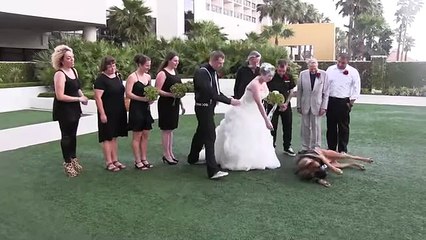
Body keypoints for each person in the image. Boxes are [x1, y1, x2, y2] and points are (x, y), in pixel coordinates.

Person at [215, 62, 281, 171]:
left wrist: (274, 98)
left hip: (254, 111)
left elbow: (265, 96)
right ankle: (239, 159)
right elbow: (259, 103)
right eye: (269, 76)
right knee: (244, 133)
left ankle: (258, 158)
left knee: (258, 135)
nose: (270, 78)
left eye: (271, 76)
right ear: (263, 74)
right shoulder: (255, 84)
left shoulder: (263, 82)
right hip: (245, 109)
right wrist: (266, 120)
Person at [187, 51, 240, 179]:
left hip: (209, 107)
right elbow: (209, 92)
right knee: (210, 136)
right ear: (214, 60)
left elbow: (216, 91)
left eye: (222, 63)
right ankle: (213, 171)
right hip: (203, 107)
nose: (221, 65)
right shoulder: (202, 72)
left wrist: (228, 99)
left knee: (201, 132)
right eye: (220, 63)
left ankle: (192, 158)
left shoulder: (213, 73)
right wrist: (229, 101)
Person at [51, 45, 88, 177]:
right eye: (68, 58)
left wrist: (82, 96)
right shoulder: (59, 74)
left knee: (73, 135)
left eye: (72, 57)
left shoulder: (74, 71)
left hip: (74, 108)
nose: (72, 60)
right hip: (64, 109)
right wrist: (78, 99)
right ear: (61, 60)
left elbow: (76, 87)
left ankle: (73, 159)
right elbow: (60, 96)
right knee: (66, 136)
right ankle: (67, 163)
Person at [94, 56, 128, 172]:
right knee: (107, 137)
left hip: (118, 111)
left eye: (113, 65)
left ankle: (115, 160)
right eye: (109, 66)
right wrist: (102, 114)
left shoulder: (117, 77)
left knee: (114, 136)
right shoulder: (101, 79)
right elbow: (98, 98)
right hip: (107, 112)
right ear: (104, 67)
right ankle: (109, 162)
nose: (112, 68)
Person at [326, 53, 361, 153]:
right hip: (331, 101)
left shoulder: (353, 72)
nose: (340, 64)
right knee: (331, 126)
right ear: (337, 60)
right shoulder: (330, 70)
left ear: (347, 62)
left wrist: (351, 103)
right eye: (339, 62)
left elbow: (356, 88)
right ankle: (331, 148)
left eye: (343, 63)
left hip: (344, 101)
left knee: (343, 127)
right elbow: (326, 85)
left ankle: (343, 150)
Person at [126, 54, 155, 170]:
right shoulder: (132, 77)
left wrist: (151, 99)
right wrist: (142, 99)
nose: (148, 68)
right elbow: (128, 93)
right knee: (137, 135)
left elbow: (150, 91)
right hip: (136, 108)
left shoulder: (148, 77)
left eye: (149, 66)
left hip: (146, 109)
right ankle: (137, 160)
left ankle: (144, 158)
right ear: (140, 65)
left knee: (145, 134)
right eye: (146, 65)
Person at [295, 148, 373, 187]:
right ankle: (353, 164)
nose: (319, 167)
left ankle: (363, 159)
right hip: (320, 161)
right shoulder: (307, 172)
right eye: (318, 167)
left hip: (319, 153)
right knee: (339, 166)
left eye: (318, 167)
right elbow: (310, 177)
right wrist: (320, 181)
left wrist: (332, 168)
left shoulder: (305, 161)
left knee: (343, 156)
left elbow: (321, 158)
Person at [155, 51, 182, 165]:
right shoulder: (162, 73)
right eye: (175, 60)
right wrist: (171, 95)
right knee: (166, 130)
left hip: (174, 104)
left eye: (178, 61)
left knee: (171, 130)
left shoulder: (175, 72)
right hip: (165, 104)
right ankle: (166, 154)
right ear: (169, 60)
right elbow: (157, 90)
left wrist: (181, 103)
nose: (177, 63)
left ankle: (170, 153)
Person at [297, 58, 329, 151]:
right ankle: (305, 147)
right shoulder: (302, 74)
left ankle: (316, 147)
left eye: (314, 68)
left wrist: (324, 107)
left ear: (317, 66)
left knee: (316, 127)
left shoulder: (324, 74)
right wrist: (299, 105)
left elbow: (326, 92)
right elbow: (299, 91)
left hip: (317, 105)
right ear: (308, 67)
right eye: (311, 68)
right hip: (305, 104)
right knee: (305, 127)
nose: (313, 70)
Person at [266, 59, 296, 156]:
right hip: (273, 106)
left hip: (286, 106)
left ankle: (287, 147)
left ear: (286, 68)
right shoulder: (271, 76)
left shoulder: (289, 77)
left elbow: (291, 91)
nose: (281, 73)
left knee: (288, 126)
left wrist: (286, 103)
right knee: (272, 126)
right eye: (279, 71)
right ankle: (271, 147)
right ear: (276, 67)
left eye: (283, 71)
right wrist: (276, 103)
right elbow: (266, 92)